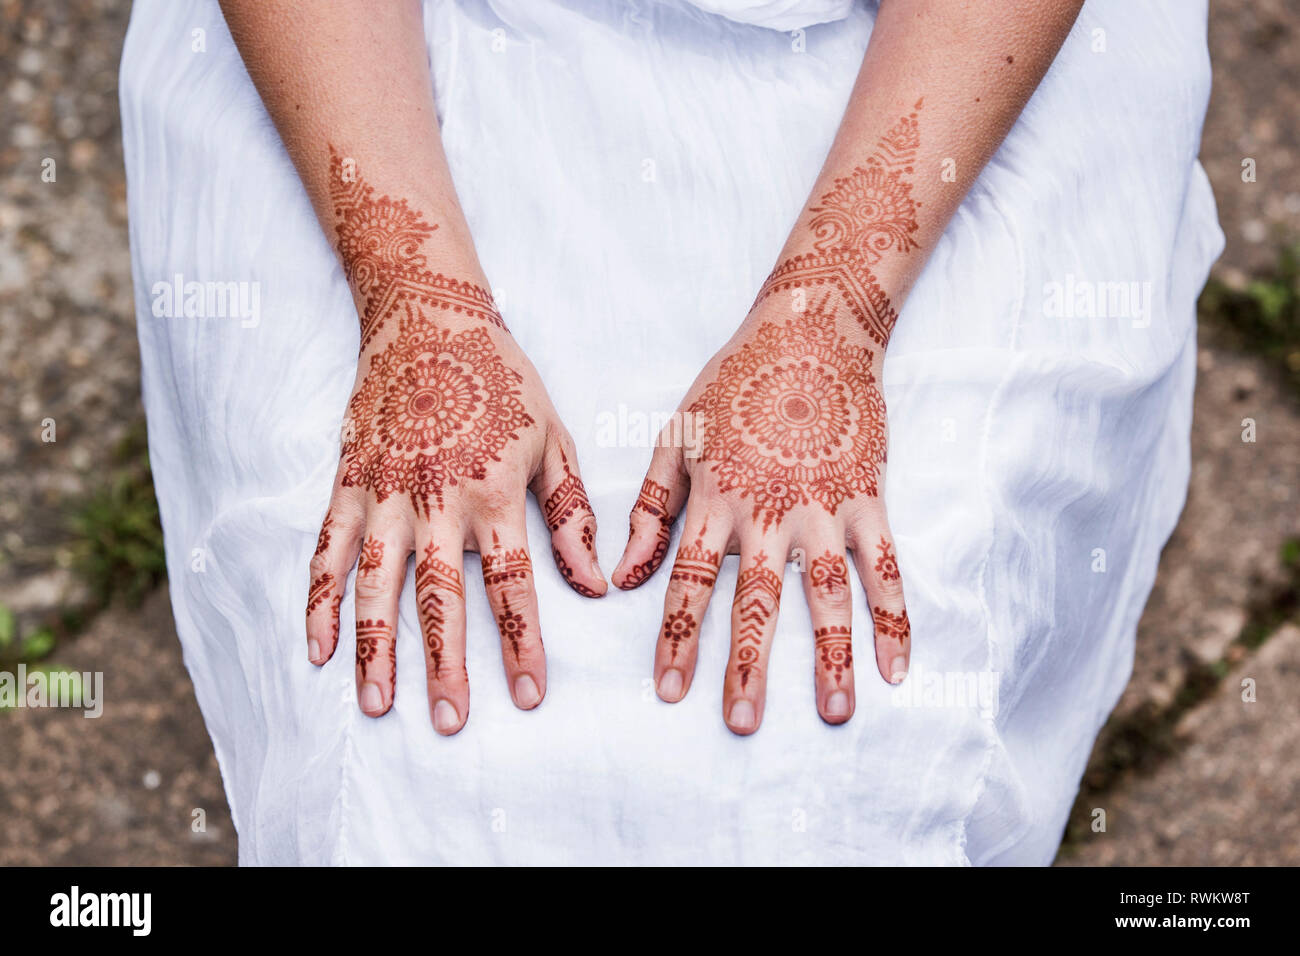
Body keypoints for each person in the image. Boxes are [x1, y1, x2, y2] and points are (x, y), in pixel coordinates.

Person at [119, 0, 1223, 864]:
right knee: (415, 710)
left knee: (838, 728)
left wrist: (826, 317)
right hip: (382, 66)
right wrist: (419, 304)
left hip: (934, 67)